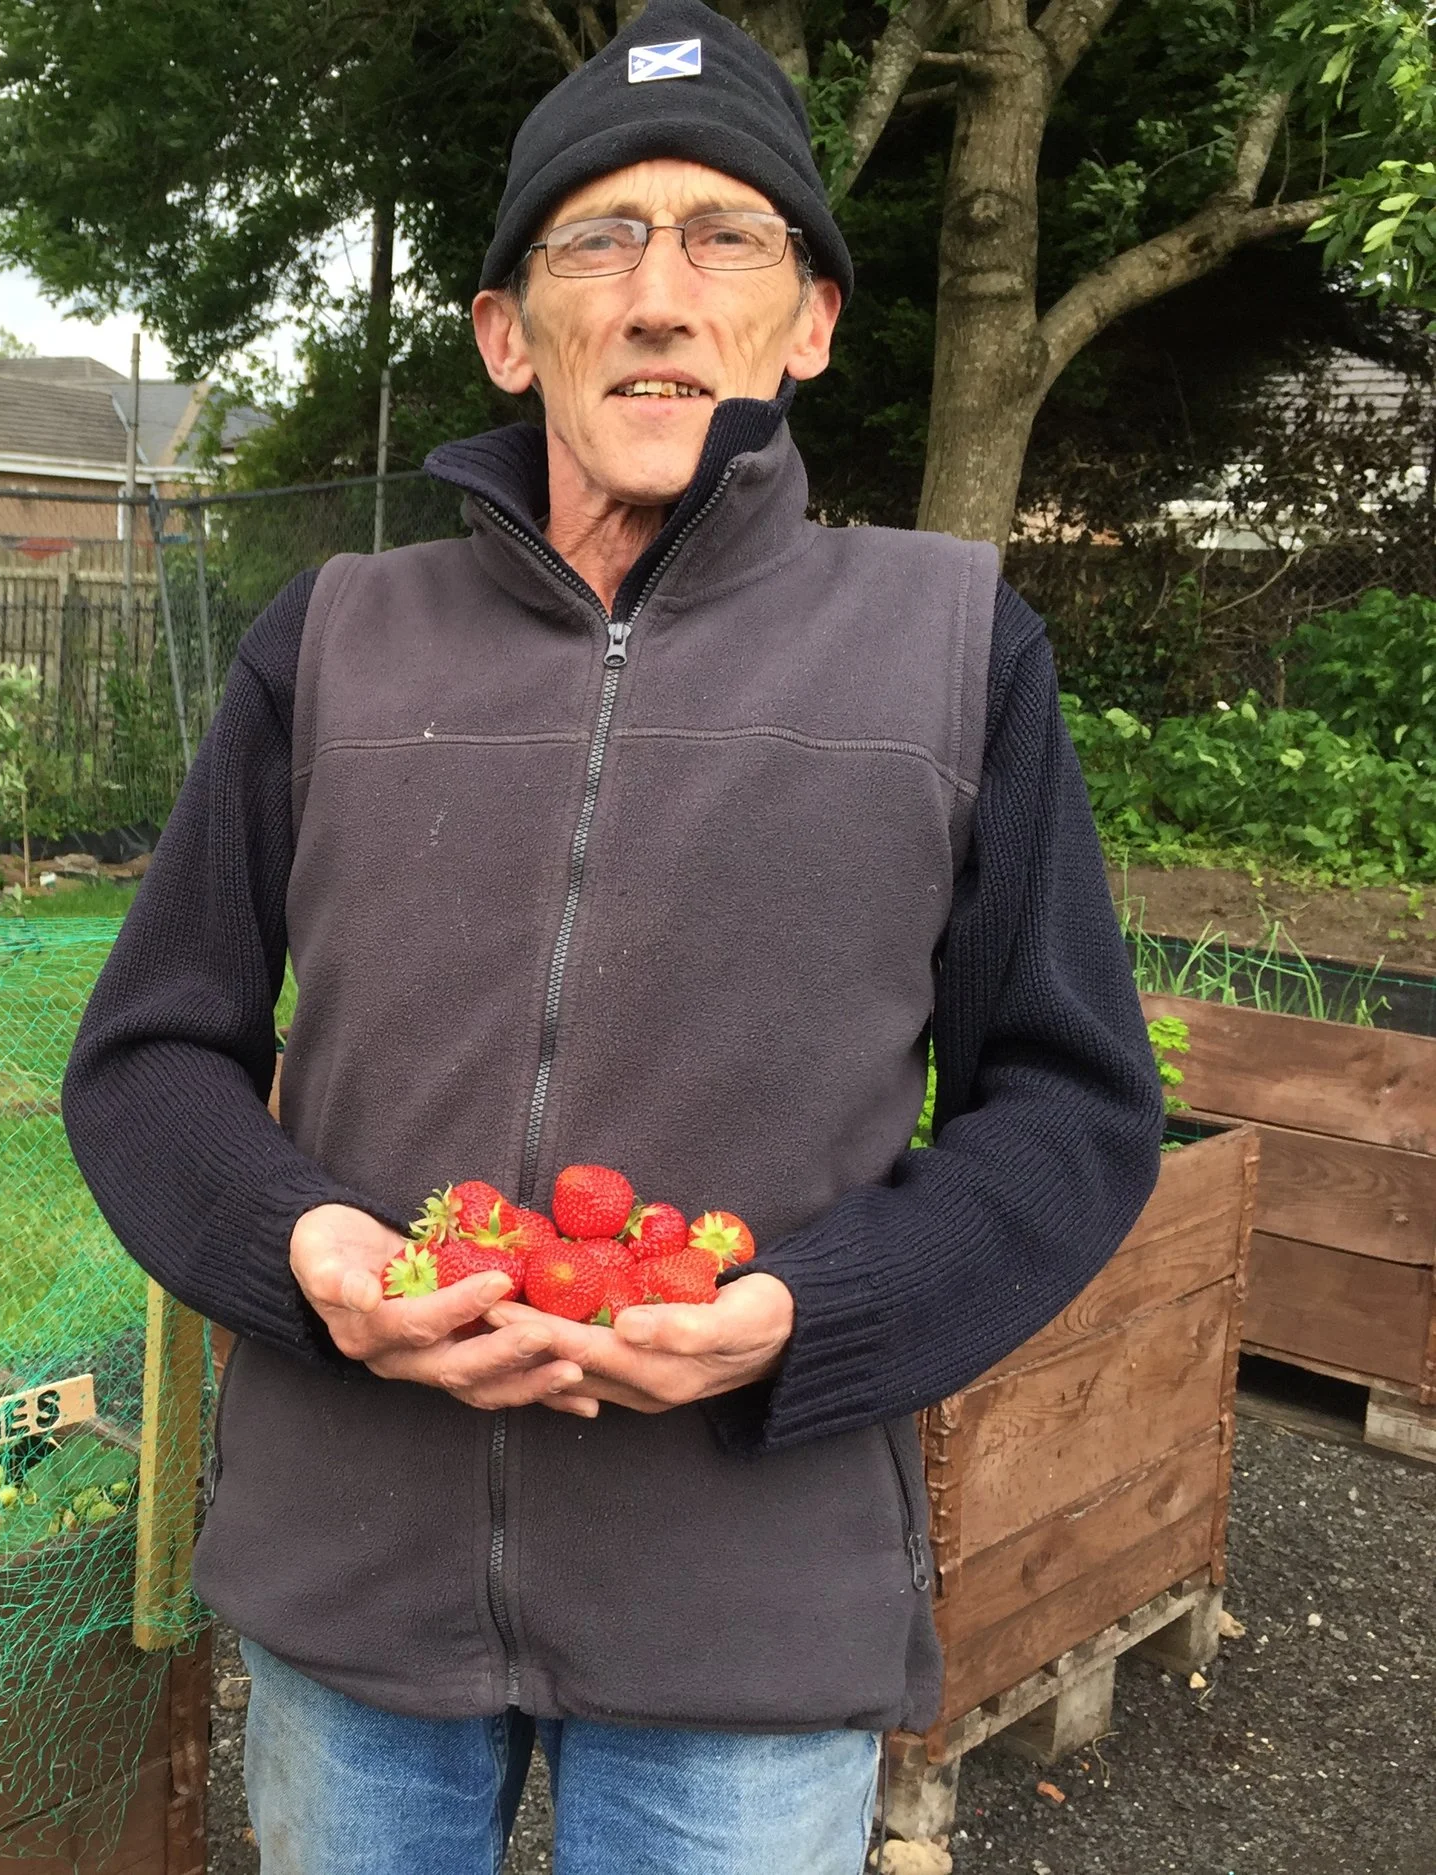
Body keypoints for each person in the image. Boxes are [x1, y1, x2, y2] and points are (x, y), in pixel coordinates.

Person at [61, 2, 1164, 1867]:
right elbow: (149, 1053)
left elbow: (1070, 1110)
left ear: (806, 318)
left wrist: (811, 1315)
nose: (662, 294)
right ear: (511, 331)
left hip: (745, 1597)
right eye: (601, 238)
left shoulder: (955, 647)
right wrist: (306, 1251)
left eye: (727, 236)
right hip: (358, 1582)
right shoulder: (333, 640)